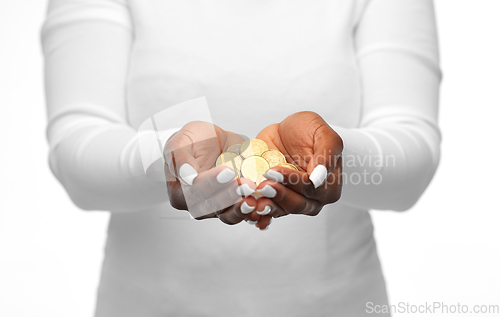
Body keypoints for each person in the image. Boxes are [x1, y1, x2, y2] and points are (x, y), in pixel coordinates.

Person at [41, 0, 441, 316]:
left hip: (340, 304)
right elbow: (77, 150)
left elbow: (411, 157)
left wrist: (332, 156)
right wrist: (165, 157)